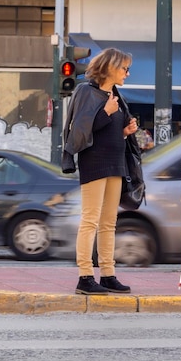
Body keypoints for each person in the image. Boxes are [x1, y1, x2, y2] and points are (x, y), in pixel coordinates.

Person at [63, 48, 138, 295]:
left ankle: (108, 274)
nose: (127, 73)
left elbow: (110, 132)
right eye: (124, 68)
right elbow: (80, 133)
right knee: (90, 220)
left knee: (109, 223)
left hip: (116, 163)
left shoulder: (116, 95)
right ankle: (85, 276)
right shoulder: (86, 91)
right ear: (109, 68)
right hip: (94, 163)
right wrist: (105, 113)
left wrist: (126, 131)